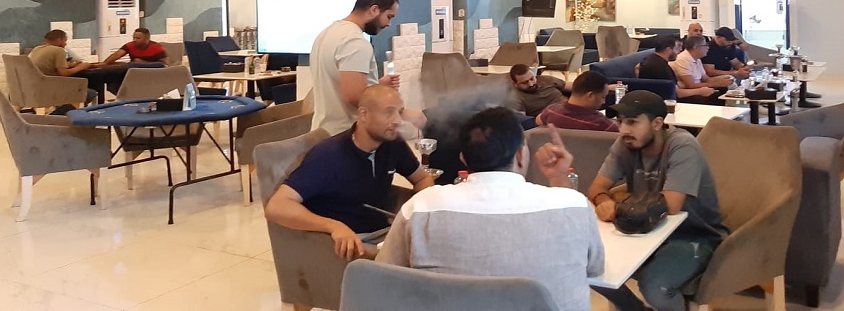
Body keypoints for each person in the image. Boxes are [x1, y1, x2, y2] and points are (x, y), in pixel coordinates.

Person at [377, 108, 604, 311]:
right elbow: (594, 267)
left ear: (463, 159)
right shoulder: (574, 205)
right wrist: (559, 177)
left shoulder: (421, 208)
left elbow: (384, 276)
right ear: (520, 155)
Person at [588, 90, 728, 311]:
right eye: (620, 122)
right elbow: (596, 188)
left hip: (694, 235)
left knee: (655, 286)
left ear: (657, 123)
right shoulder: (625, 143)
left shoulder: (682, 145)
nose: (624, 130)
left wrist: (619, 200)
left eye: (633, 122)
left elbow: (670, 206)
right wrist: (604, 199)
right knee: (590, 265)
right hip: (645, 230)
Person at [264, 85, 433, 260]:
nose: (398, 120)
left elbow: (422, 178)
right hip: (351, 243)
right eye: (389, 112)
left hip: (384, 232)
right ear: (363, 114)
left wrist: (422, 212)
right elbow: (277, 207)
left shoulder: (392, 143)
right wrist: (333, 226)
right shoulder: (329, 155)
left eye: (400, 112)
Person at [310, 0, 409, 135]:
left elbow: (340, 84)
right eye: (389, 16)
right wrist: (396, 110)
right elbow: (354, 97)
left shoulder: (327, 33)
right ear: (374, 10)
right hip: (345, 134)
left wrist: (378, 86)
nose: (389, 24)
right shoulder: (355, 42)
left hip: (323, 130)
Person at [28, 29, 98, 112]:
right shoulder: (59, 50)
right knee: (90, 93)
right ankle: (59, 114)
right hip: (51, 89)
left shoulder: (36, 49)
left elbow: (49, 64)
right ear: (59, 40)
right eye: (65, 41)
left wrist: (72, 65)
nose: (65, 44)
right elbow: (64, 73)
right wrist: (81, 67)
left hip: (35, 88)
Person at [637, 35, 717, 102]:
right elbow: (678, 94)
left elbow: (637, 68)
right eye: (677, 47)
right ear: (668, 50)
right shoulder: (662, 68)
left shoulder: (650, 58)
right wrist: (700, 91)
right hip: (666, 101)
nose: (680, 50)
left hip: (651, 98)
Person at [537, 70, 618, 132]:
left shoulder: (551, 110)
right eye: (603, 97)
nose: (604, 102)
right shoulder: (602, 124)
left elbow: (538, 121)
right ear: (590, 96)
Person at [670, 35, 732, 105]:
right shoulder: (683, 59)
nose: (708, 48)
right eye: (705, 45)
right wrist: (718, 84)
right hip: (689, 92)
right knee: (715, 95)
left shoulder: (697, 59)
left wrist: (723, 79)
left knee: (723, 89)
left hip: (697, 88)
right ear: (696, 47)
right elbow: (691, 85)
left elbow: (706, 79)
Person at [100, 28, 168, 65]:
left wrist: (143, 63)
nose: (135, 40)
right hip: (133, 70)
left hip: (151, 71)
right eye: (134, 38)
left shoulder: (157, 48)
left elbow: (165, 64)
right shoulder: (130, 45)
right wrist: (105, 63)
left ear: (147, 39)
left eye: (138, 38)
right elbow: (116, 55)